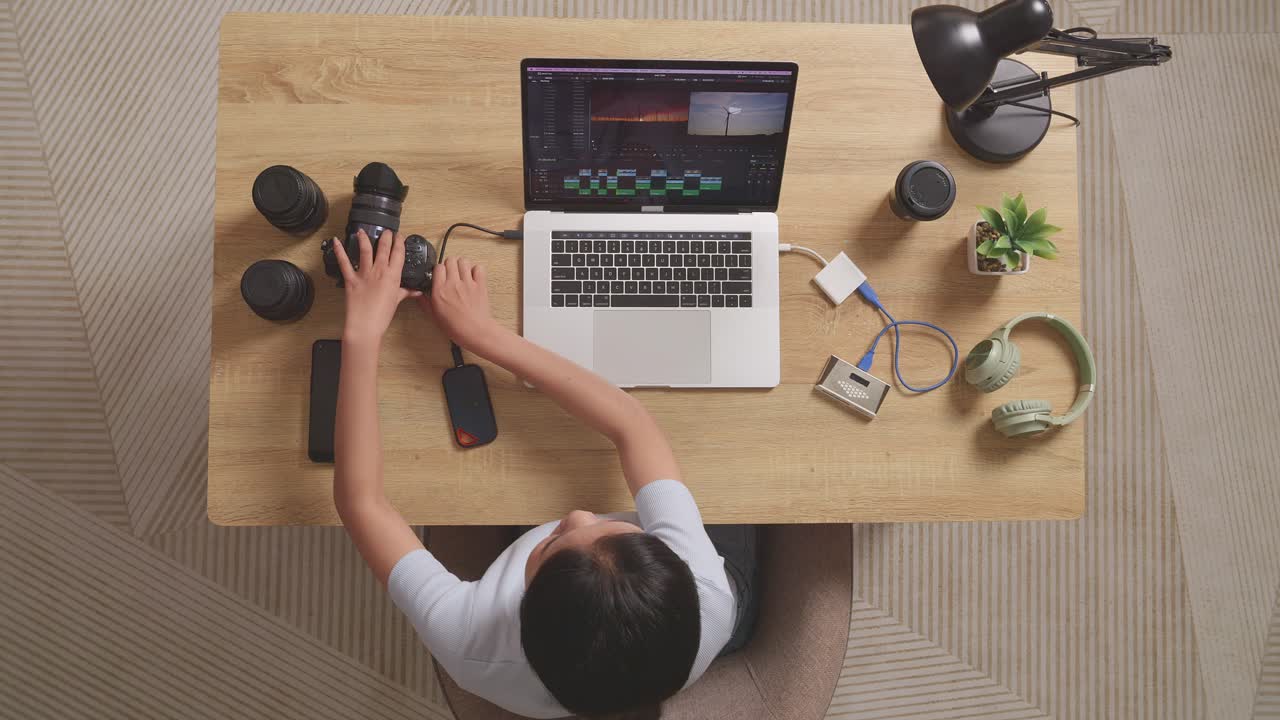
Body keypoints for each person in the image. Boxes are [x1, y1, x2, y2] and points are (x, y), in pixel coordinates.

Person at [329, 229, 758, 720]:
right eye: (619, 533)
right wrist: (482, 334)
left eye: (554, 545)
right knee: (727, 474)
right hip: (706, 627)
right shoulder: (708, 597)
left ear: (524, 599)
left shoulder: (470, 642)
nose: (578, 514)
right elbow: (634, 425)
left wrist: (361, 335)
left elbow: (361, 504)